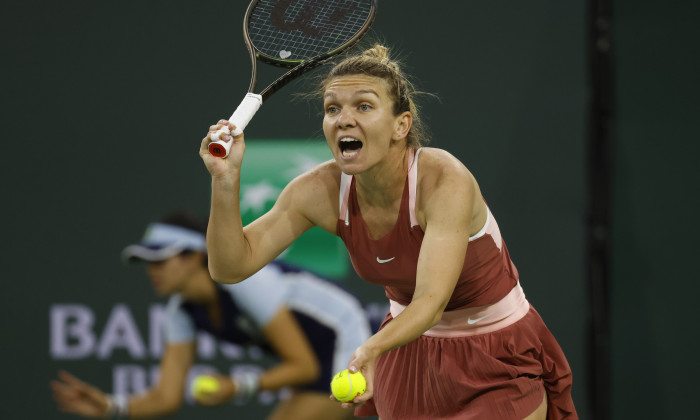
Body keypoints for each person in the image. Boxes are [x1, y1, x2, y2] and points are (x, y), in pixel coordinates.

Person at [199, 44, 578, 420]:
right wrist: (226, 181)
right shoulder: (317, 191)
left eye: (363, 106)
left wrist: (370, 349)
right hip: (408, 354)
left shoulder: (445, 181)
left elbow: (430, 302)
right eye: (333, 109)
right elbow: (230, 267)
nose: (344, 119)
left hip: (496, 351)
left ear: (402, 125)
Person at [51, 210, 371, 420]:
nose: (152, 271)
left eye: (160, 260)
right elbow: (167, 396)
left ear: (194, 256)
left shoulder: (246, 283)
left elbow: (302, 366)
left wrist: (237, 387)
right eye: (147, 262)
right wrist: (110, 407)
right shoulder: (181, 311)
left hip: (353, 338)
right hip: (320, 357)